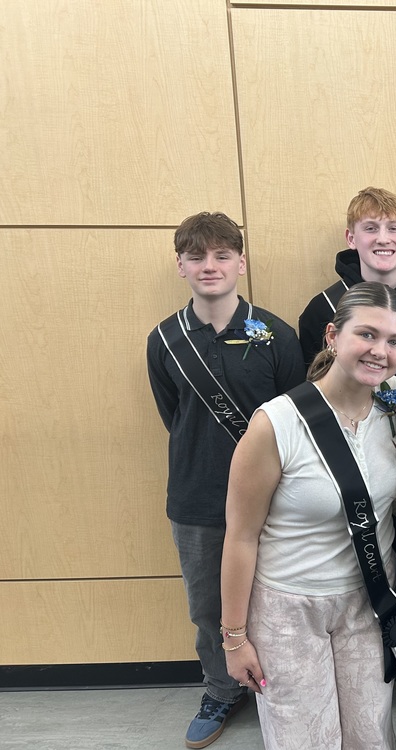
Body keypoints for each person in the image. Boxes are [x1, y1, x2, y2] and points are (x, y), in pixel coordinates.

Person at [219, 282, 396, 750]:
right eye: (366, 334)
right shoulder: (276, 424)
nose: (379, 351)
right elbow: (241, 537)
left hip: (368, 603)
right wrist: (234, 638)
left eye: (394, 341)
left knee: (372, 736)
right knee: (303, 739)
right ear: (331, 335)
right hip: (290, 607)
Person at [146, 212, 305, 749]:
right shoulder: (165, 340)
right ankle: (220, 687)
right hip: (196, 499)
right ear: (180, 265)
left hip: (276, 499)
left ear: (241, 262)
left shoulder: (276, 335)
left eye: (220, 255)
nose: (209, 266)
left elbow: (295, 418)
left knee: (278, 597)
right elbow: (175, 416)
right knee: (208, 606)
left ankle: (276, 686)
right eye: (197, 257)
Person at [299, 186, 396, 378]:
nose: (383, 239)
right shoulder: (321, 309)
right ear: (351, 238)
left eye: (393, 228)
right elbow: (315, 386)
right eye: (370, 228)